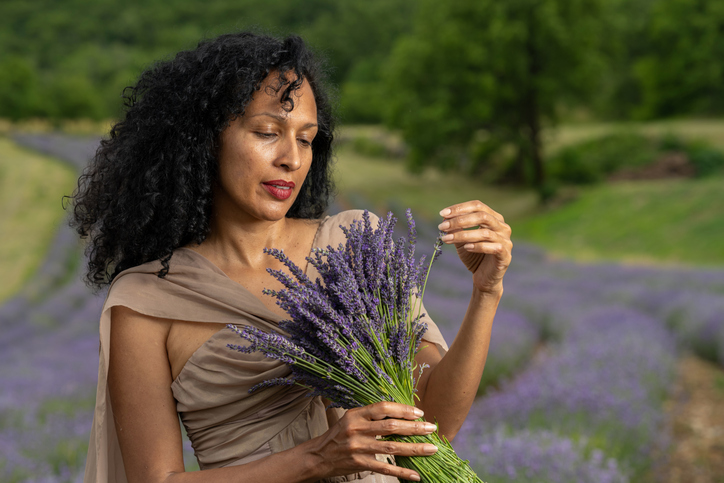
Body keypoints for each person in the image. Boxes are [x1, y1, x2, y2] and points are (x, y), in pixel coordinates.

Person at [71, 32, 512, 483]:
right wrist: (317, 458)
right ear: (204, 139)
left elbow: (434, 422)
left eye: (306, 140)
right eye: (267, 133)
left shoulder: (351, 246)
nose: (291, 159)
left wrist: (486, 291)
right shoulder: (146, 301)